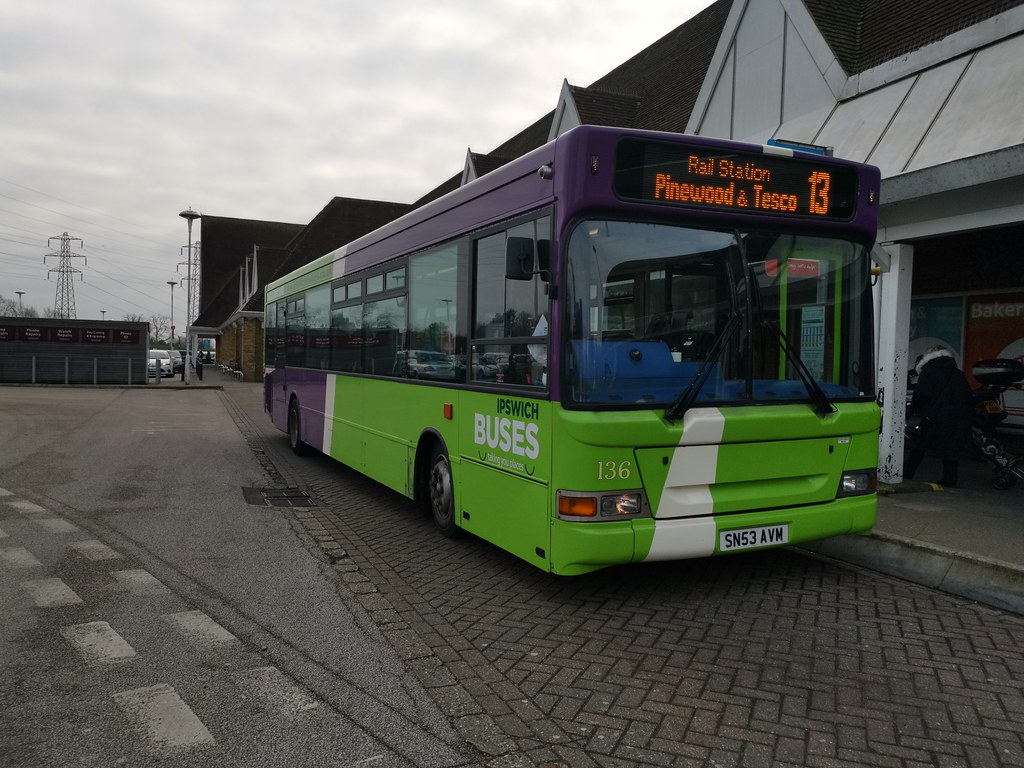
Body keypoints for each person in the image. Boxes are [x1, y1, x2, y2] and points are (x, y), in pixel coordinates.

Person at [903, 345, 973, 486]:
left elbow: (921, 396)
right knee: (950, 451)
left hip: (933, 417)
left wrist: (911, 411)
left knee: (918, 447)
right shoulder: (958, 374)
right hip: (957, 417)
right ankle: (950, 479)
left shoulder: (928, 373)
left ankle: (906, 475)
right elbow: (967, 395)